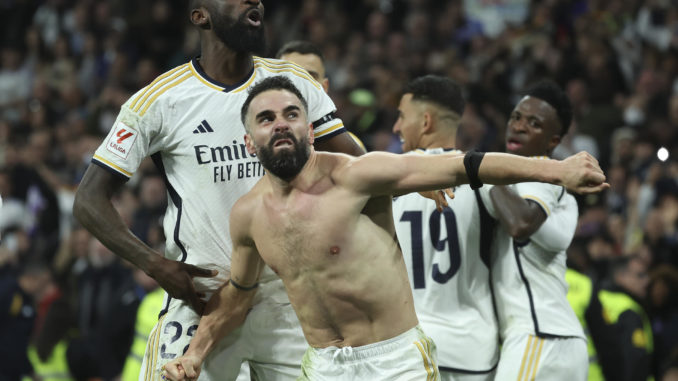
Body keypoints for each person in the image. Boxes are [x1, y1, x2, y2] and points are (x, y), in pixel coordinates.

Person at [162, 76, 607, 381]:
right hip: (322, 366)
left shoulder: (355, 175)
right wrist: (196, 353)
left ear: (310, 130)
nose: (281, 123)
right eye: (266, 118)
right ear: (248, 142)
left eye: (291, 114)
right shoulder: (248, 214)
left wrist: (554, 171)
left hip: (395, 361)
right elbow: (238, 294)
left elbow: (464, 165)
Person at [72, 1, 364, 380]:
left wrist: (416, 176)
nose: (253, 1)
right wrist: (154, 263)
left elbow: (356, 167)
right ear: (200, 16)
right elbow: (88, 199)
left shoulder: (292, 83)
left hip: (289, 298)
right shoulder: (160, 100)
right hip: (203, 300)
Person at [479, 80, 589, 380]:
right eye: (516, 117)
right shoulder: (547, 187)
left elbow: (520, 224)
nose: (520, 126)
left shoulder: (537, 169)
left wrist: (488, 172)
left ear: (552, 142)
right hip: (559, 339)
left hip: (538, 337)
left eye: (534, 123)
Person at [390, 75, 499, 380]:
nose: (396, 127)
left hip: (410, 350)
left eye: (401, 116)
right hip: (474, 352)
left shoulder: (385, 179)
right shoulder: (488, 177)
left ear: (426, 122)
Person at [277, 40, 366, 151]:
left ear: (324, 87)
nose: (301, 86)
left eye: (310, 78)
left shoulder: (350, 148)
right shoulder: (253, 140)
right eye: (291, 77)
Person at [597, 255, 654, 381]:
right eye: (640, 275)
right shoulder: (629, 310)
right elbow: (635, 361)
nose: (647, 281)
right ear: (620, 277)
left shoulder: (597, 300)